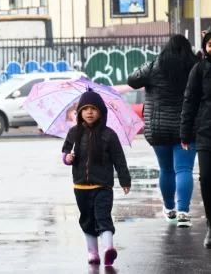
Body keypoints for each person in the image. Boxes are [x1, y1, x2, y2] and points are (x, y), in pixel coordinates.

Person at [128, 34, 199, 227]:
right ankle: (183, 213)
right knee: (184, 169)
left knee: (166, 169)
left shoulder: (154, 67)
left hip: (158, 129)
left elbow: (132, 80)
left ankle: (170, 210)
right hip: (187, 127)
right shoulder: (195, 66)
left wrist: (149, 65)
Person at [62, 91, 131, 267]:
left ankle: (108, 249)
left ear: (101, 112)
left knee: (103, 216)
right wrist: (67, 159)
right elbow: (66, 152)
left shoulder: (109, 134)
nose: (90, 112)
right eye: (86, 109)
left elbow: (119, 159)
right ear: (79, 113)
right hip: (81, 187)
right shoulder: (74, 133)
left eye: (94, 109)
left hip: (103, 186)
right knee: (87, 219)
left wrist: (125, 180)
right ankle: (93, 252)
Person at [181, 30, 211, 248]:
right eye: (210, 44)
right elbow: (189, 102)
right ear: (206, 47)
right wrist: (185, 132)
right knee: (207, 179)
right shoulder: (199, 69)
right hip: (206, 132)